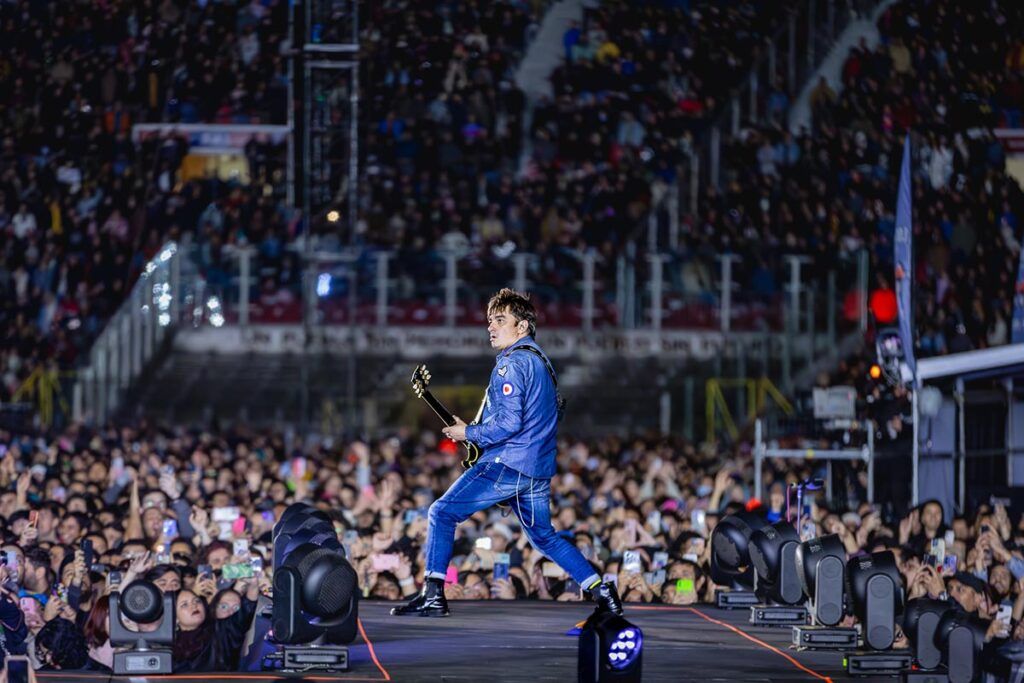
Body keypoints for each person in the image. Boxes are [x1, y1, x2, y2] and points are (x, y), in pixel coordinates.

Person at [392, 288, 622, 617]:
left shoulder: (510, 364)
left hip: (508, 465)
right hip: (537, 469)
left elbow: (511, 424)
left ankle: (433, 595)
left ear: (522, 327)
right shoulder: (542, 361)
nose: (491, 327)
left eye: (500, 320)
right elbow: (532, 419)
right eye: (489, 321)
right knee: (545, 538)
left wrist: (468, 432)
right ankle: (603, 592)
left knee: (441, 513)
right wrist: (473, 429)